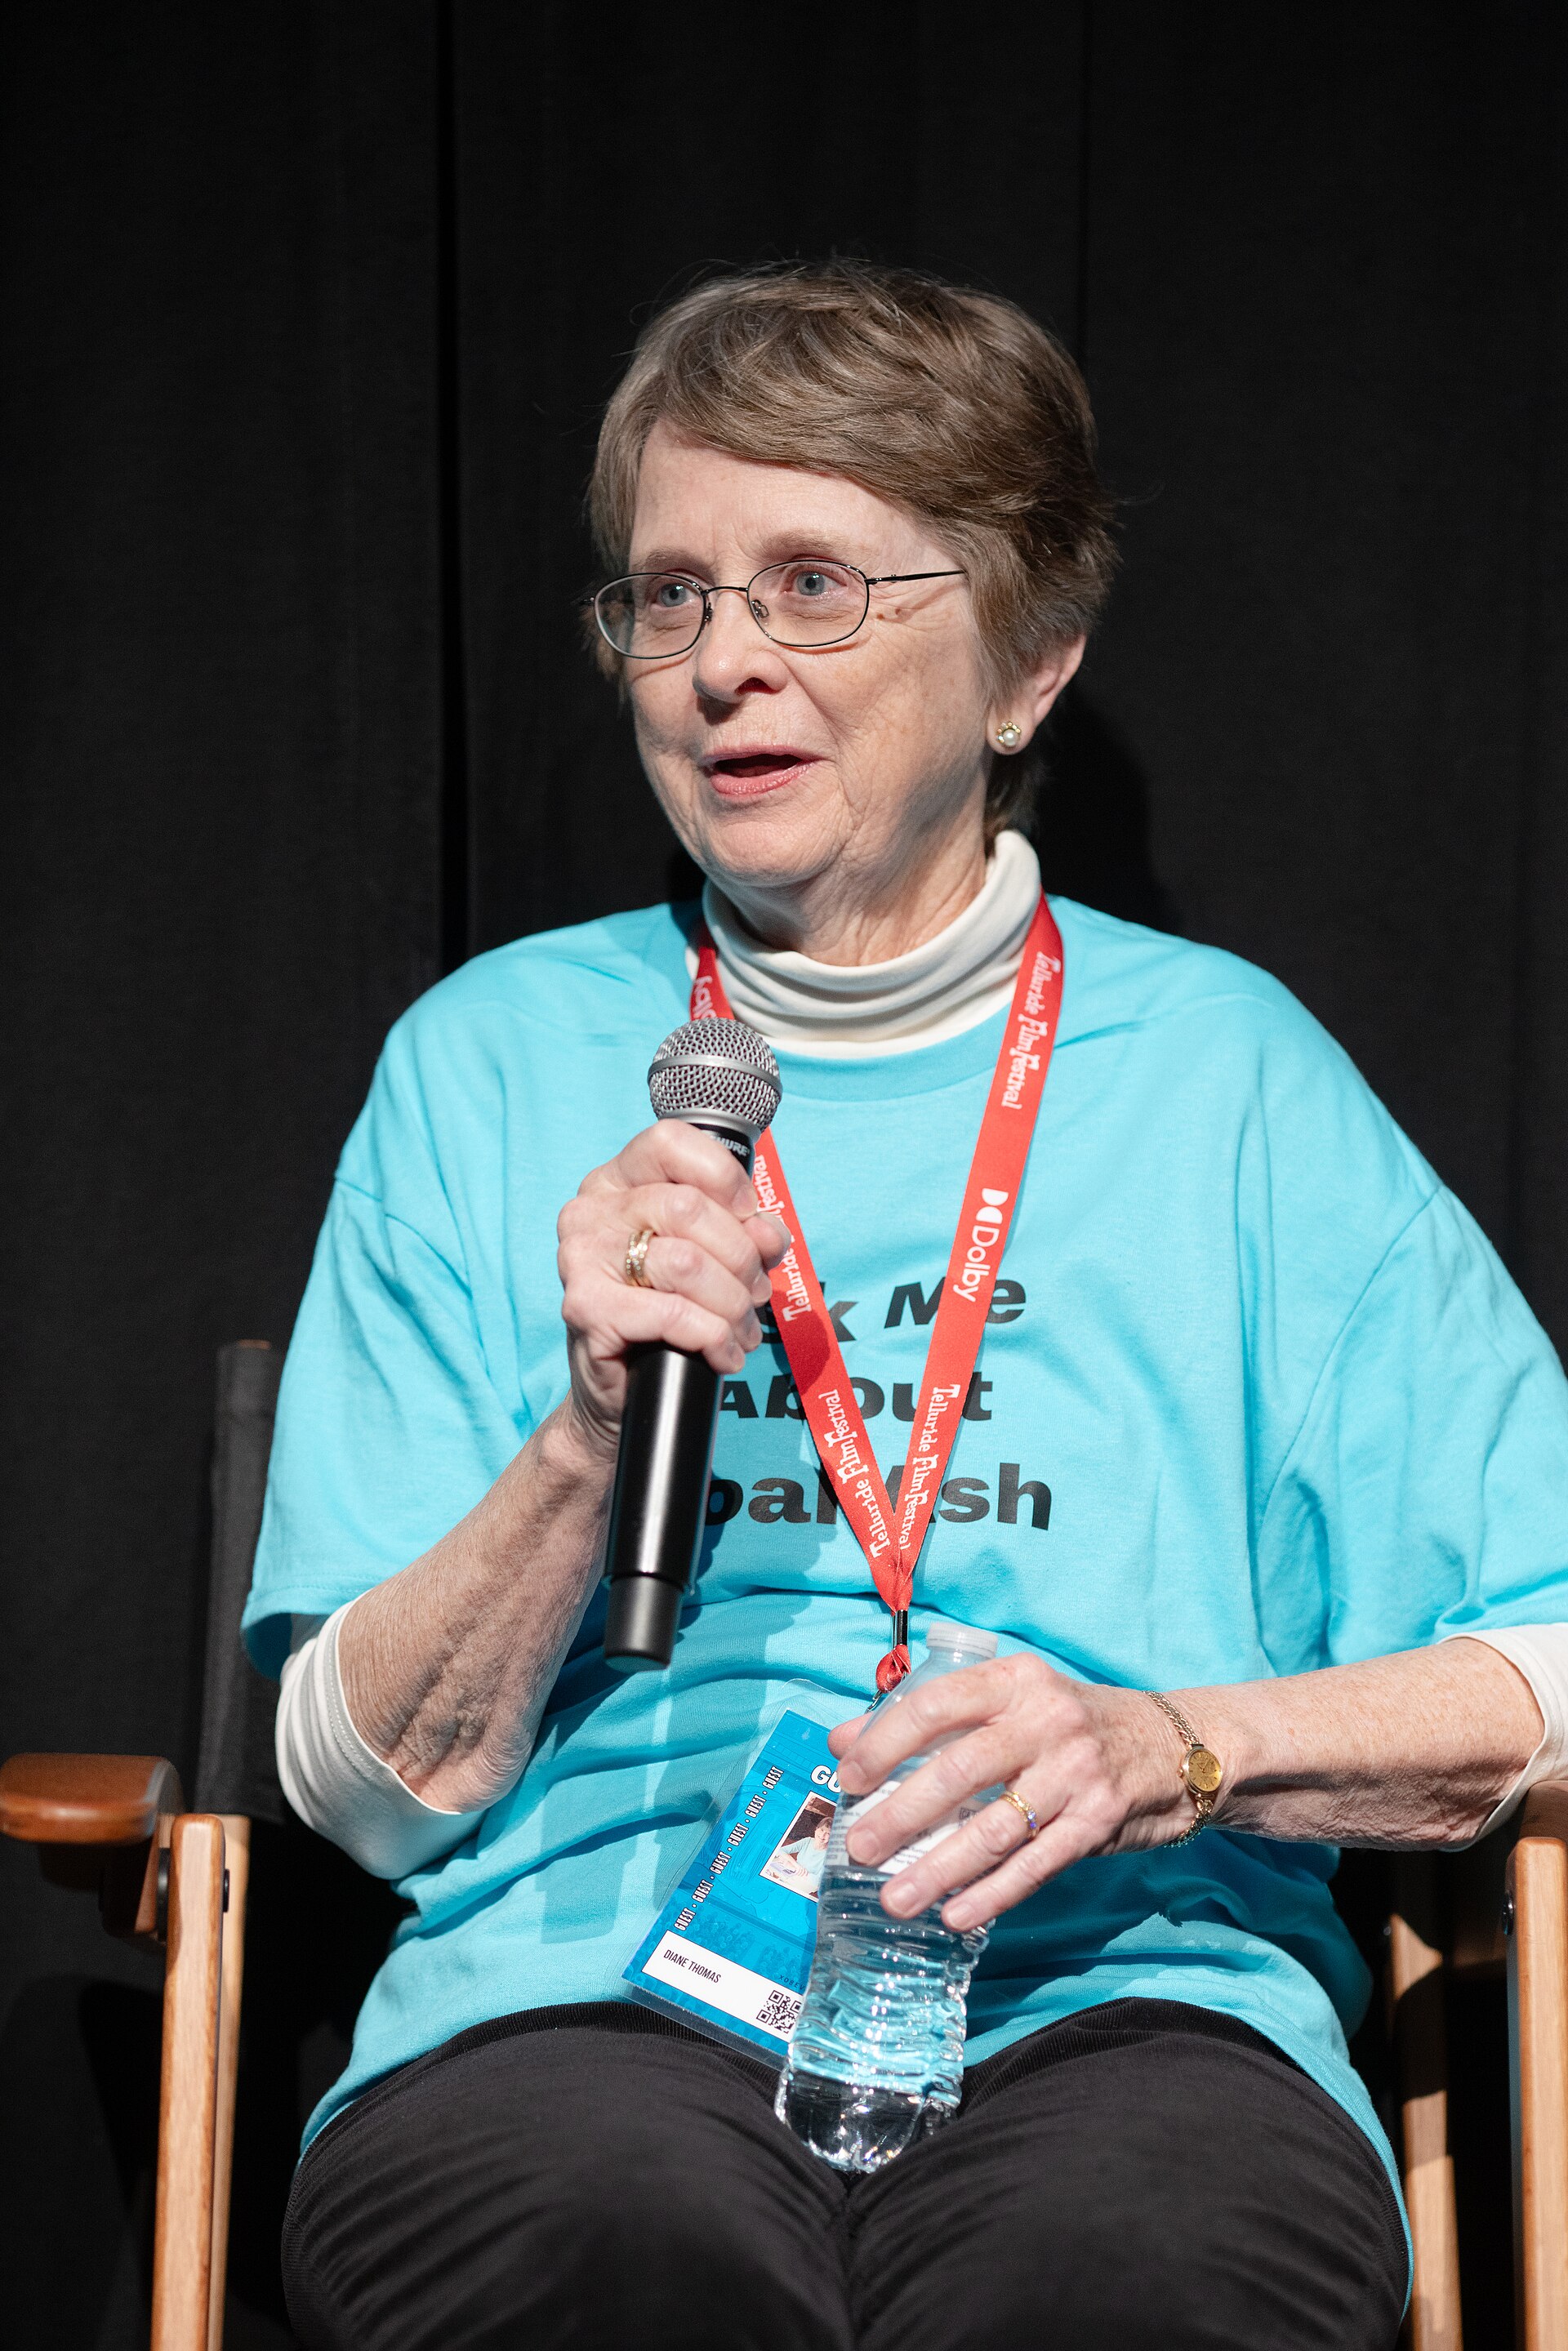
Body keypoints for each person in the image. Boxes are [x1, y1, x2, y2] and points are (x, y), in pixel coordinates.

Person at [247, 261, 1568, 2351]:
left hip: (1124, 2003)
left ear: (1032, 661)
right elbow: (353, 1783)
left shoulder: (1233, 1081)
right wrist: (592, 1435)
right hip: (586, 1999)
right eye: (666, 596)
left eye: (812, 588)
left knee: (1124, 2277)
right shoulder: (492, 1061)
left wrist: (1178, 1752)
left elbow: (1553, 1658)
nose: (720, 665)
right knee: (619, 2253)